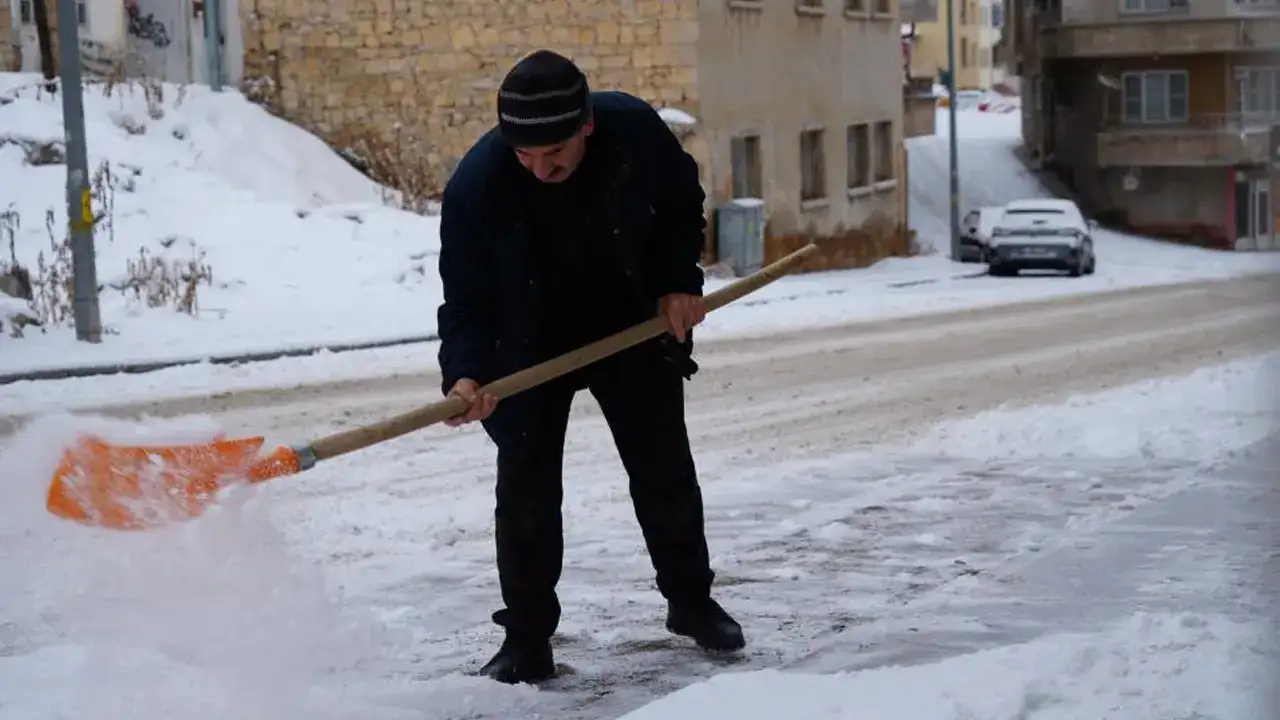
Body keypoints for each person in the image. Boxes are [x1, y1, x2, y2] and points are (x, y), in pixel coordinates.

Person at [435, 49, 745, 685]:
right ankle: (526, 637)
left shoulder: (633, 131)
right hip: (526, 344)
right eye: (525, 156)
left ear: (585, 128)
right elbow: (464, 297)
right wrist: (465, 373)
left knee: (663, 468)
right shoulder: (479, 184)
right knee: (525, 490)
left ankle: (691, 601)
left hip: (629, 323)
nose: (540, 169)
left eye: (554, 154)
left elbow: (681, 200)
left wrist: (678, 282)